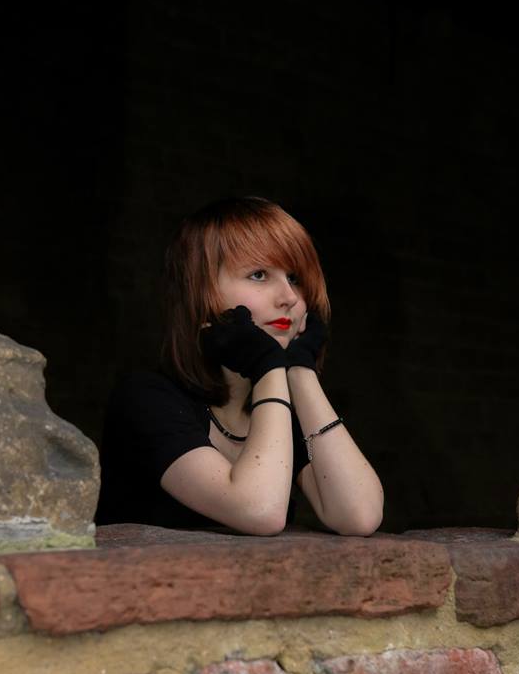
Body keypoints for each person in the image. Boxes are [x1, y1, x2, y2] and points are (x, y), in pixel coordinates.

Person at [96, 196, 383, 535]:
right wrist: (268, 365)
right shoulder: (146, 399)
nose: (289, 297)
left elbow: (359, 515)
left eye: (294, 278)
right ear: (200, 292)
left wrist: (300, 370)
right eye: (259, 275)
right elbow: (259, 511)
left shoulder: (276, 410)